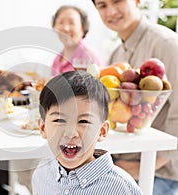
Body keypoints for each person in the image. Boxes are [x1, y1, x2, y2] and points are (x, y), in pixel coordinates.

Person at [92, 0, 178, 194]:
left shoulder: (166, 44)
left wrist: (144, 167)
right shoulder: (116, 54)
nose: (111, 11)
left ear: (138, 1)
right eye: (102, 5)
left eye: (117, 1)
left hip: (160, 171)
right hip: (122, 162)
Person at [32, 71, 142, 194]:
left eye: (83, 121)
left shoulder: (121, 188)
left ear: (102, 131)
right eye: (59, 120)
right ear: (43, 128)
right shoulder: (42, 173)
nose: (70, 133)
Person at [51, 5, 104, 76]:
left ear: (83, 28)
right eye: (60, 22)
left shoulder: (89, 57)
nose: (66, 28)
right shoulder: (57, 59)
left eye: (72, 23)